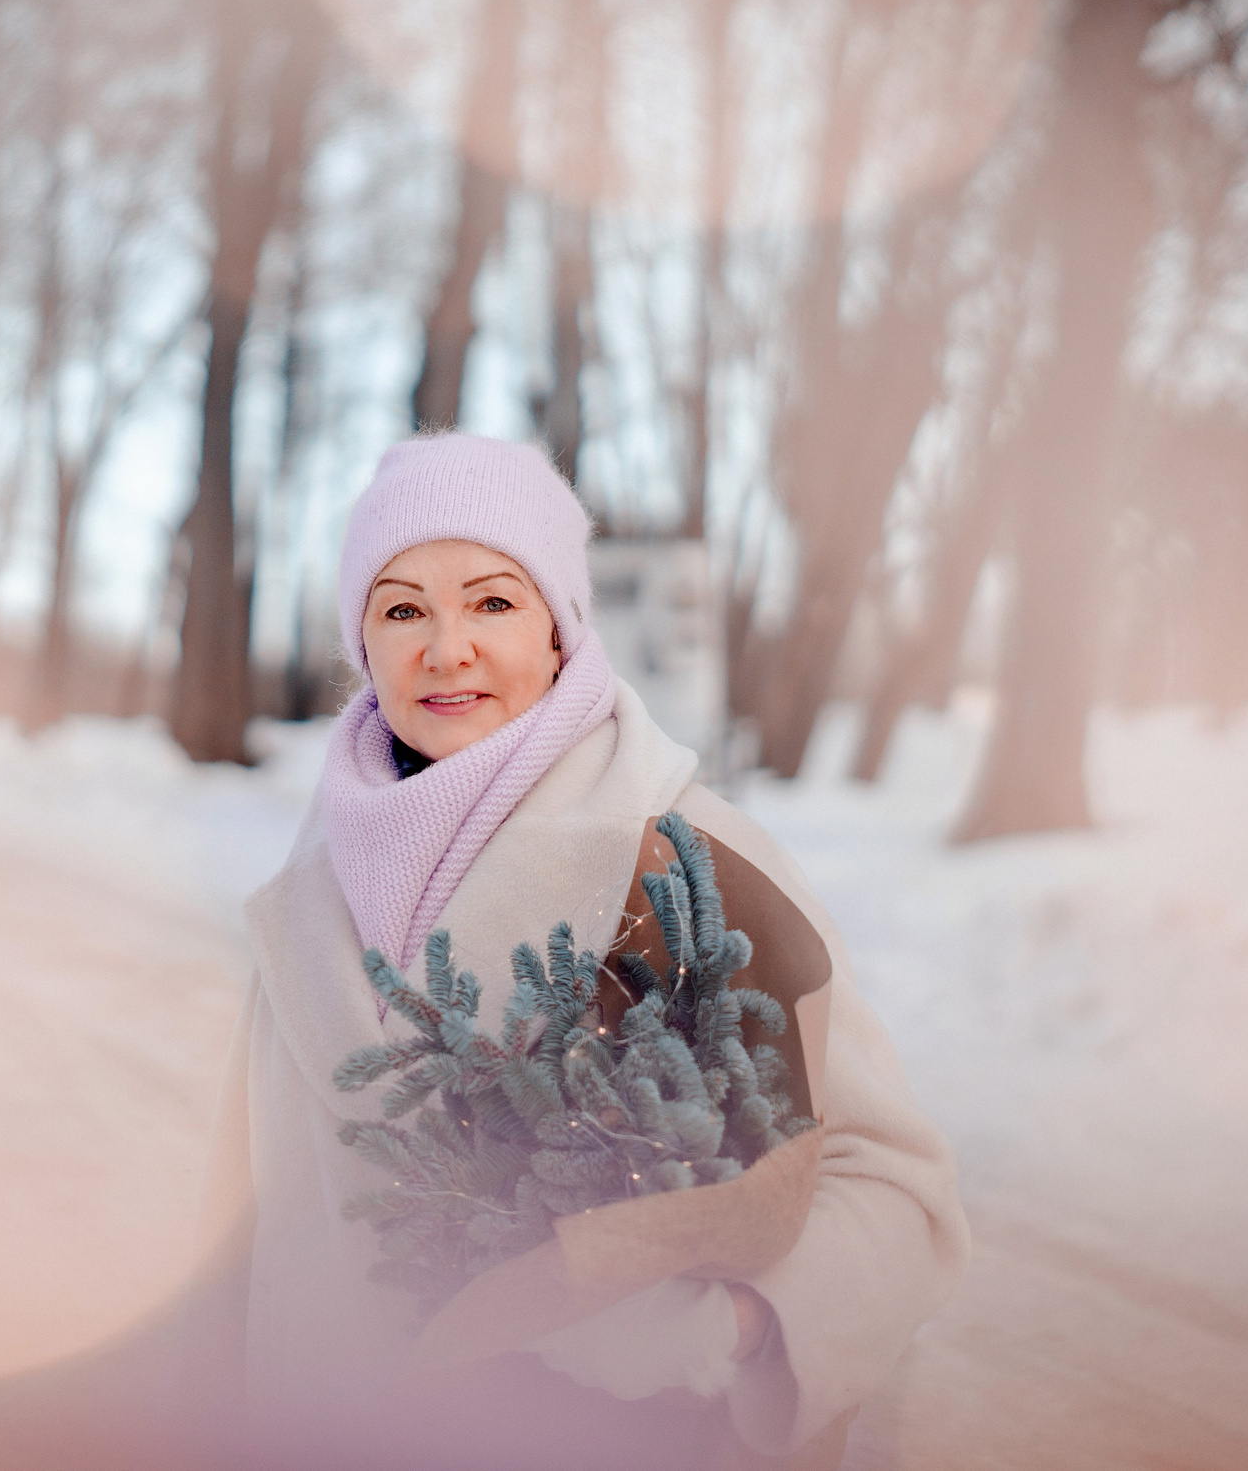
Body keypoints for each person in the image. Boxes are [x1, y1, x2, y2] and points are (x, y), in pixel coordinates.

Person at [195, 433, 967, 1470]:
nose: (446, 647)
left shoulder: (684, 858)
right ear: (362, 644)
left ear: (560, 629)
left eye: (493, 601)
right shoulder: (312, 884)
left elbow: (894, 1183)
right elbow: (242, 1237)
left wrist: (731, 1326)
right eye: (401, 608)